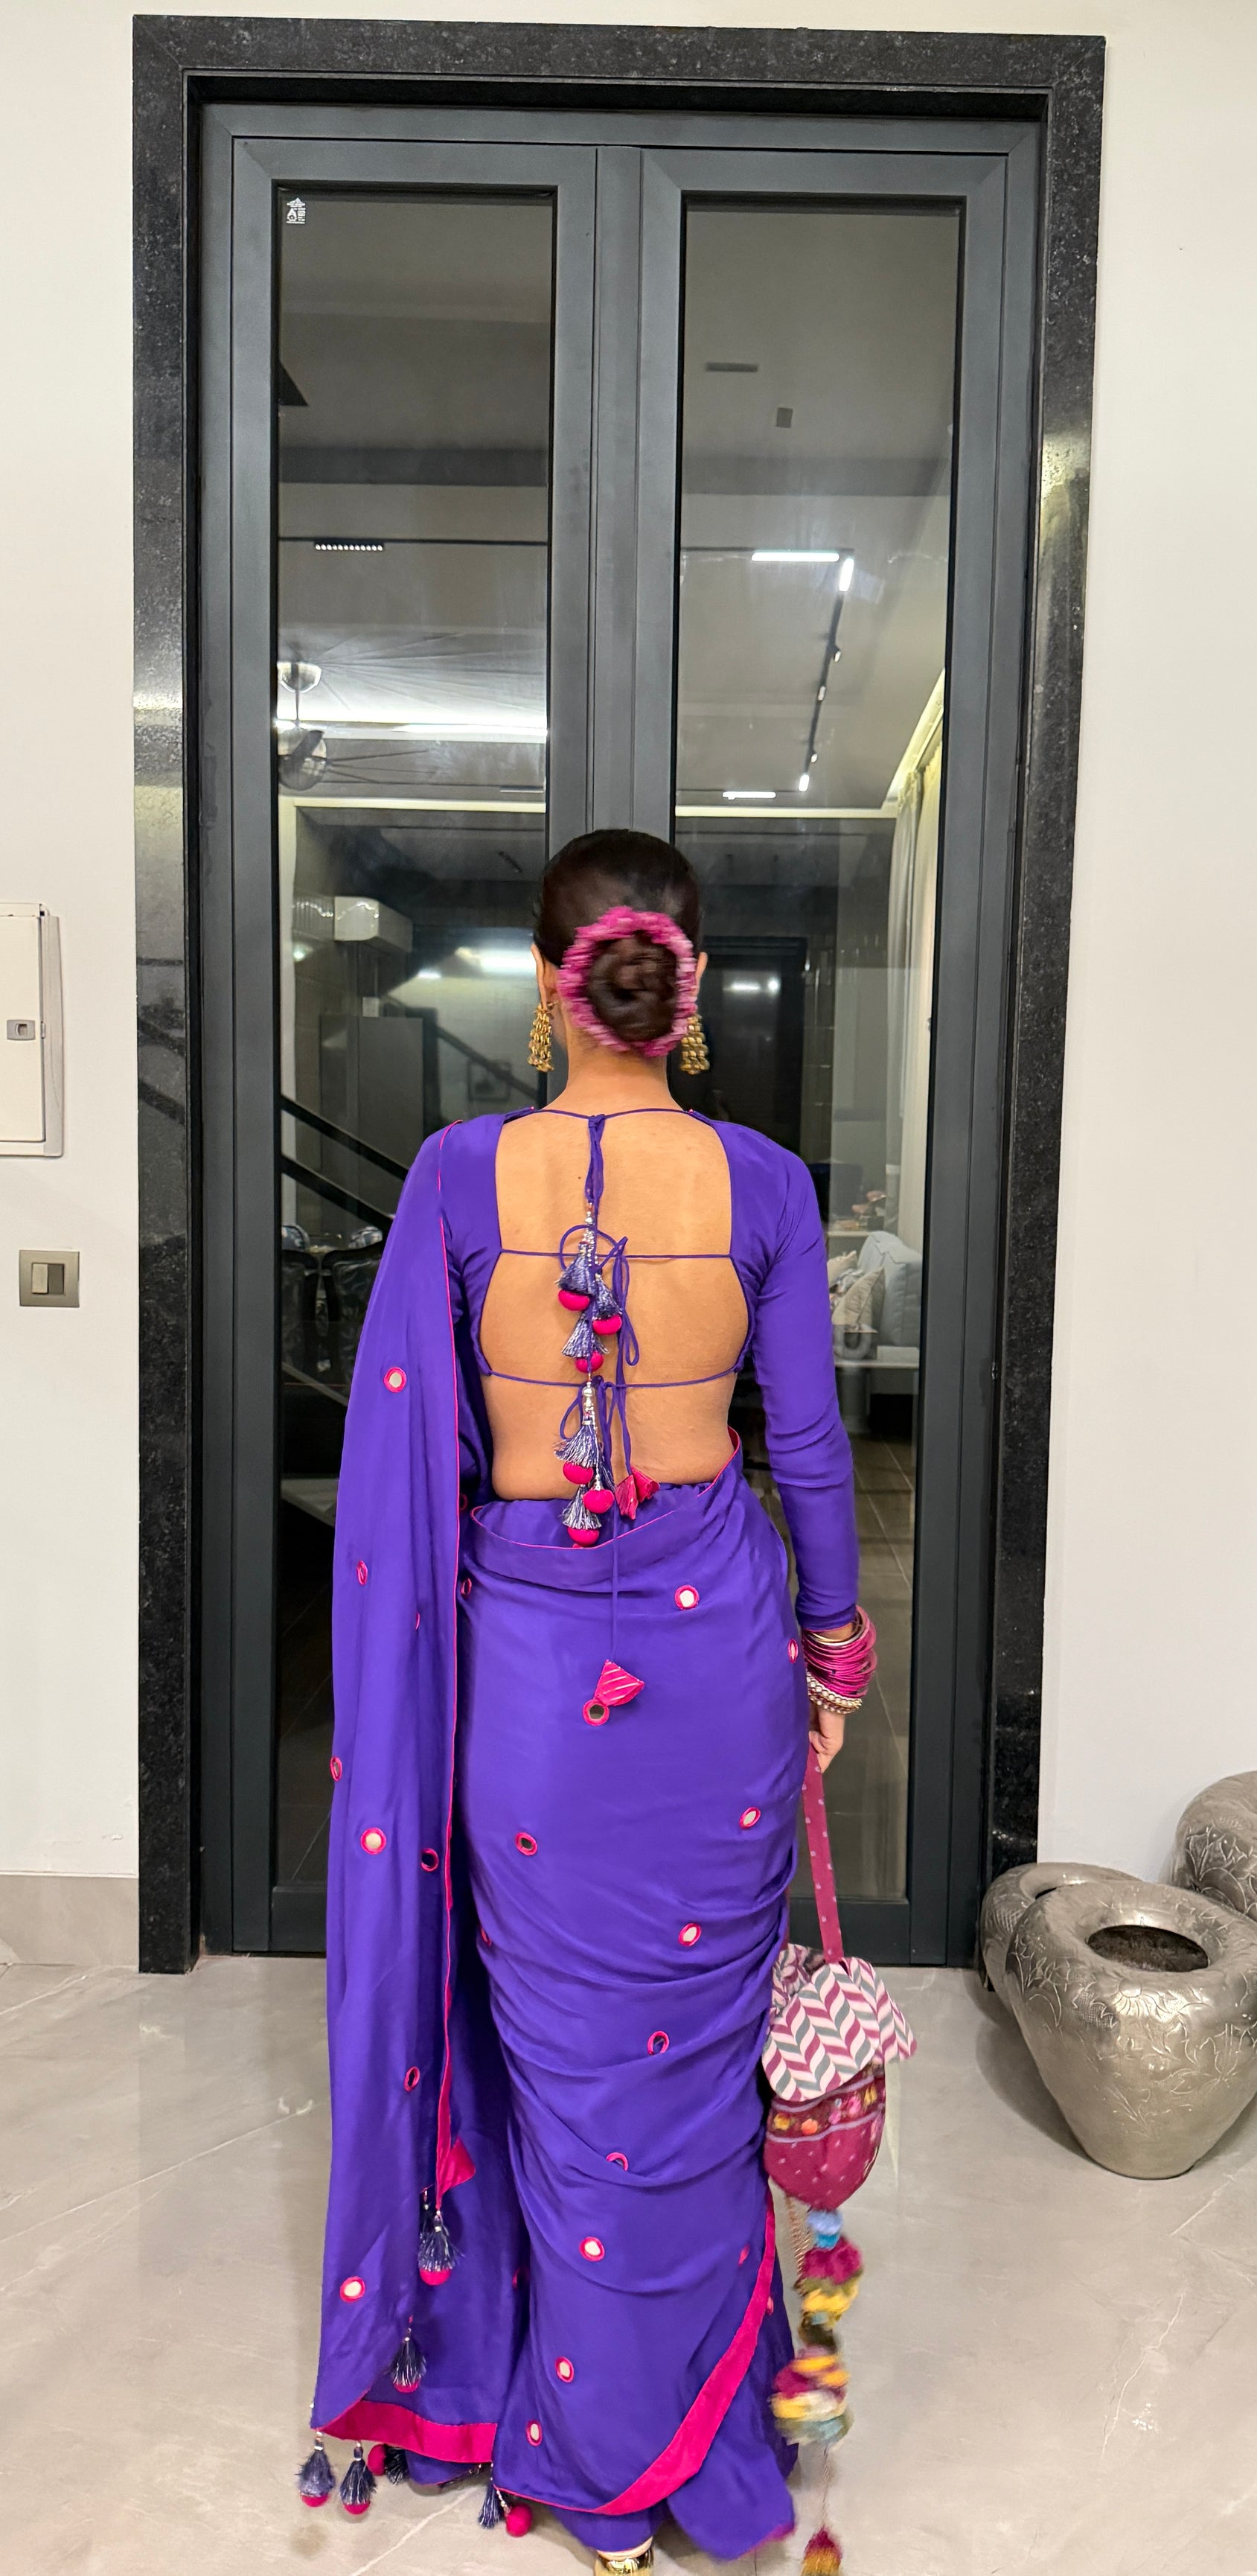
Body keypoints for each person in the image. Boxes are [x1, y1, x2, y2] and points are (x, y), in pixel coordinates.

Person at [304, 829, 873, 2570]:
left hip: (535, 1684)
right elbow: (809, 1447)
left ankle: (579, 2423)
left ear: (555, 989)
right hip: (718, 1667)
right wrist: (835, 1655)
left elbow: (417, 1449)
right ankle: (696, 2433)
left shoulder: (459, 1176)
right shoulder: (763, 1183)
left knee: (562, 2059)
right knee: (691, 2057)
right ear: (680, 988)